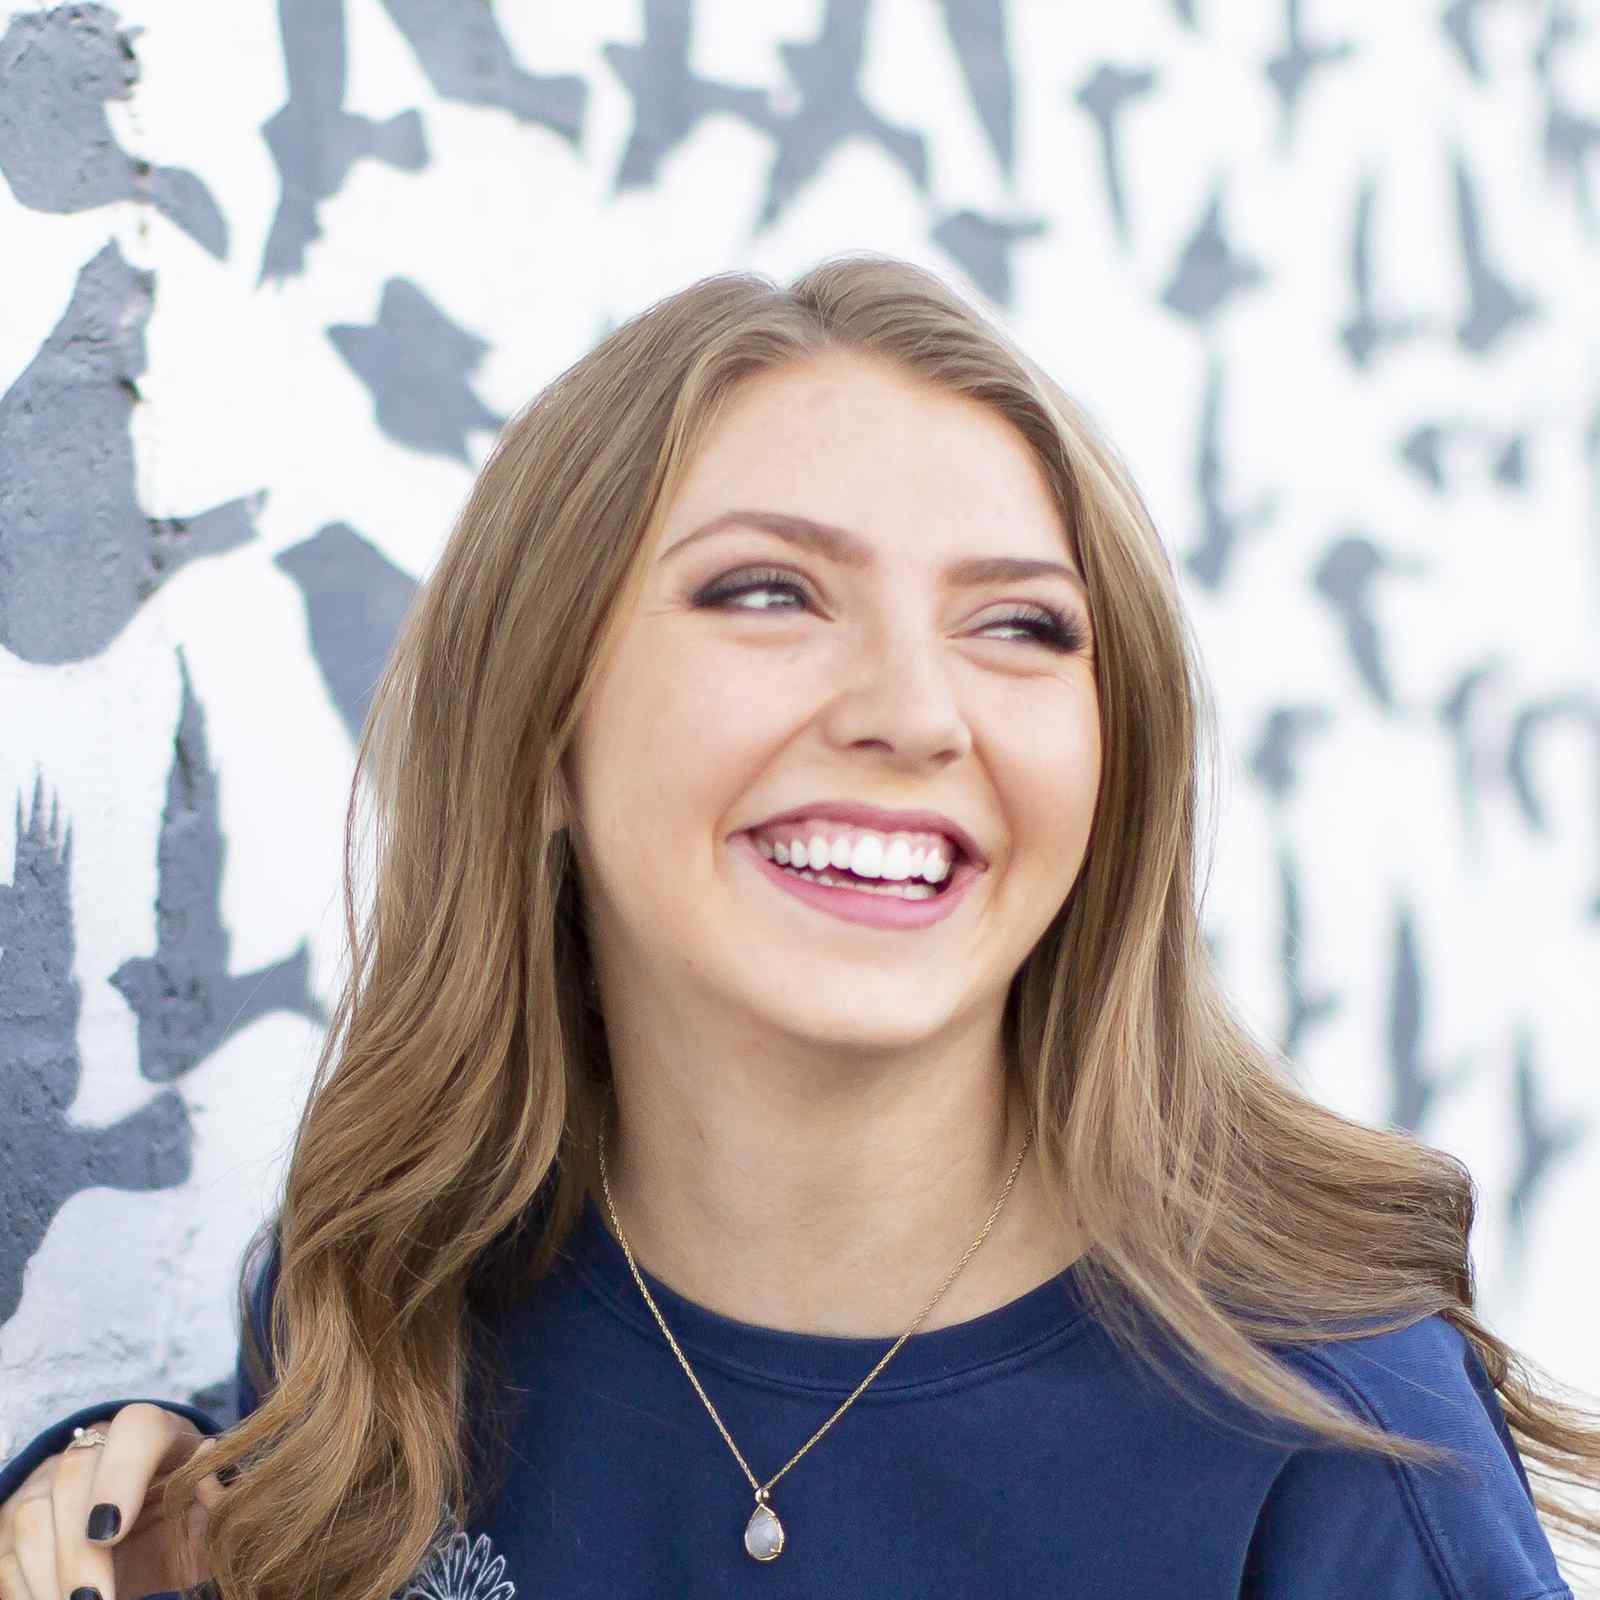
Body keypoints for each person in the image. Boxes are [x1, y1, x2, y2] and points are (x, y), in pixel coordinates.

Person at [0, 253, 1594, 1600]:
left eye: (1023, 625)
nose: (915, 712)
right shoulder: (381, 1313)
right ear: (544, 728)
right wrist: (124, 1511)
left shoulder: (1340, 1435)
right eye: (769, 592)